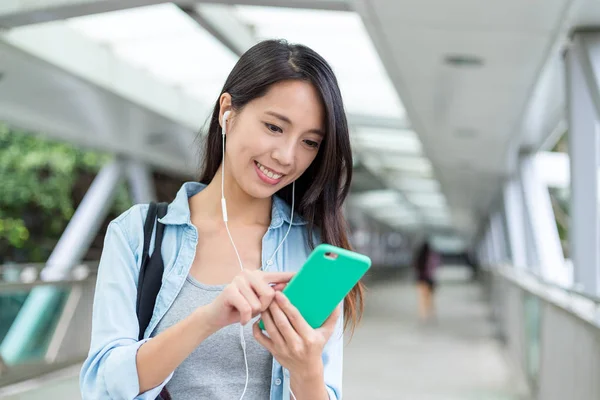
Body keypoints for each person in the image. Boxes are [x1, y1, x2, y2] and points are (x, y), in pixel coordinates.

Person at [79, 39, 364, 400]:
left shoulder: (314, 252)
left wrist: (306, 371)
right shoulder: (137, 235)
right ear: (227, 111)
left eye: (309, 142)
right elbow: (102, 385)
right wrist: (208, 318)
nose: (286, 156)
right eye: (274, 127)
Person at [413, 240, 440, 321]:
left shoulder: (419, 257)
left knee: (422, 298)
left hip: (420, 279)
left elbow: (415, 267)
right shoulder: (432, 256)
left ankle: (423, 315)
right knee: (430, 298)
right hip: (429, 279)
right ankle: (431, 313)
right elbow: (435, 267)